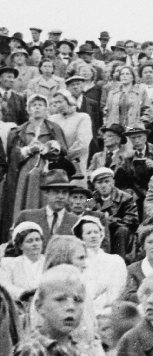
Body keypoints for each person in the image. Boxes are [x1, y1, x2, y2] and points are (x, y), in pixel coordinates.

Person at [2, 94, 70, 240]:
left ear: (46, 109)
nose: (37, 108)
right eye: (34, 105)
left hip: (48, 171)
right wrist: (27, 150)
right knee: (25, 201)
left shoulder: (54, 128)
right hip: (26, 173)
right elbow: (13, 155)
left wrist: (51, 147)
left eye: (40, 105)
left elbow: (63, 150)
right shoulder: (19, 130)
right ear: (28, 109)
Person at [74, 214, 127, 316]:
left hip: (108, 311)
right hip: (83, 311)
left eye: (96, 232)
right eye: (88, 233)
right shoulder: (77, 262)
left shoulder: (115, 261)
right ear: (81, 237)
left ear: (101, 235)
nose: (93, 235)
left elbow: (117, 290)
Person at [13, 170, 80, 248]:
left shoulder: (76, 221)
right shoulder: (27, 217)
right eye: (56, 192)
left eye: (64, 192)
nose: (60, 196)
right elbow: (13, 247)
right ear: (46, 193)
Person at [49, 90, 92, 177]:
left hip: (76, 162)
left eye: (60, 101)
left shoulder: (82, 117)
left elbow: (83, 143)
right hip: (56, 164)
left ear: (69, 101)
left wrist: (66, 157)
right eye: (55, 102)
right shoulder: (51, 119)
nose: (57, 105)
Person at [0, 222, 46, 303]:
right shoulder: (9, 264)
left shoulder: (49, 262)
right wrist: (25, 295)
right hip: (18, 307)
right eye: (29, 241)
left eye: (37, 240)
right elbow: (5, 286)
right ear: (20, 246)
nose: (35, 244)